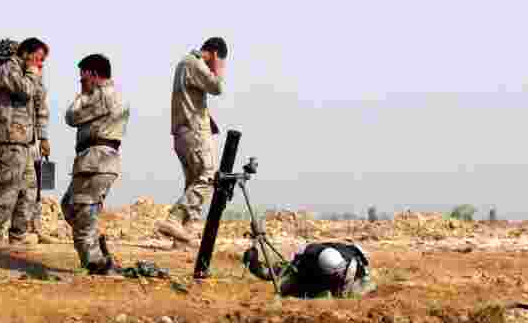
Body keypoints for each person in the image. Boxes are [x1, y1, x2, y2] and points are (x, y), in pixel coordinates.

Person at [0, 37, 50, 248]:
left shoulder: (30, 76)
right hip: (7, 141)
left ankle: (18, 235)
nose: (40, 64)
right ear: (25, 54)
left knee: (29, 190)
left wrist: (43, 137)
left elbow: (39, 105)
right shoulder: (8, 72)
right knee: (7, 189)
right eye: (37, 58)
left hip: (26, 143)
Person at [155, 37, 227, 246]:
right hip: (192, 132)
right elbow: (216, 87)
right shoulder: (193, 63)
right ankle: (175, 218)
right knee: (208, 176)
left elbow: (190, 100)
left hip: (185, 132)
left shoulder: (185, 65)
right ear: (214, 53)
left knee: (193, 183)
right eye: (219, 59)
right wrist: (217, 68)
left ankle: (183, 236)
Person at [61, 53, 128, 274]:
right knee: (70, 206)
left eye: (83, 77)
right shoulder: (112, 94)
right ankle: (97, 251)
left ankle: (96, 265)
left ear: (93, 74)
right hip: (97, 161)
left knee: (82, 210)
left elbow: (71, 117)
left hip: (96, 161)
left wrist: (82, 93)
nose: (81, 82)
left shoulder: (101, 95)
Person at [244, 241, 376, 298]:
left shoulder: (350, 256)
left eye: (340, 272)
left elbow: (366, 277)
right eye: (335, 274)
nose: (339, 274)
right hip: (311, 279)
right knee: (283, 286)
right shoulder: (305, 264)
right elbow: (273, 274)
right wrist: (254, 264)